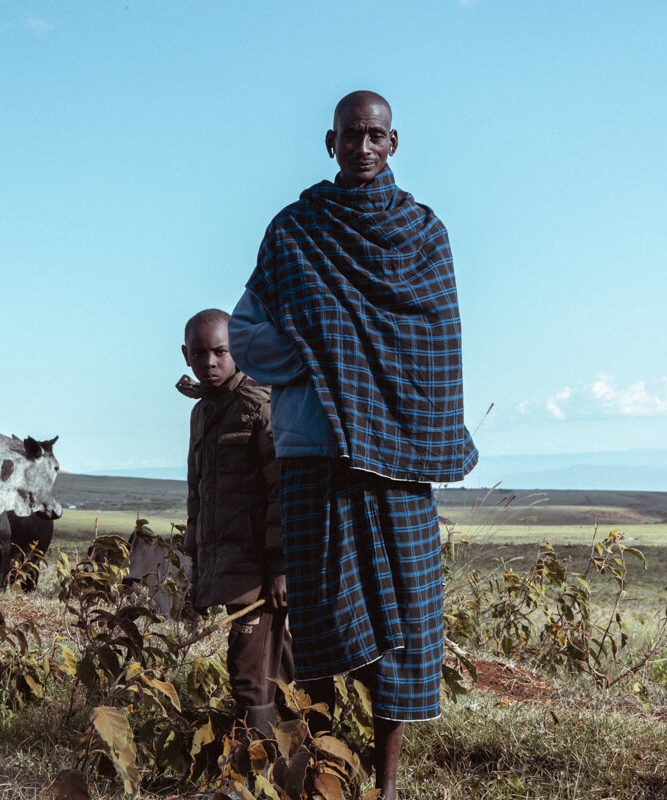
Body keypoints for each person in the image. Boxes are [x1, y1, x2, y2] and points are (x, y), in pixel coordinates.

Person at [228, 91, 477, 799]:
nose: (362, 148)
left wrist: (362, 366)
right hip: (314, 451)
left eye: (374, 136)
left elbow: (436, 342)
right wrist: (323, 355)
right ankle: (320, 774)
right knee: (317, 618)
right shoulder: (295, 231)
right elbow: (245, 335)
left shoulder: (425, 234)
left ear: (393, 141)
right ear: (328, 141)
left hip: (397, 459)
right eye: (349, 136)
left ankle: (390, 784)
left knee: (405, 620)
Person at [177, 307, 294, 735]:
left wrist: (282, 565)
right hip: (225, 566)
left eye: (220, 352)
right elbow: (199, 495)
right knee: (275, 666)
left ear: (238, 351)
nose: (209, 363)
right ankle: (302, 760)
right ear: (186, 355)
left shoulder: (256, 406)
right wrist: (197, 565)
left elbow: (282, 490)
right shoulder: (202, 413)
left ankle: (253, 777)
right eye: (200, 354)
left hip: (260, 572)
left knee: (248, 673)